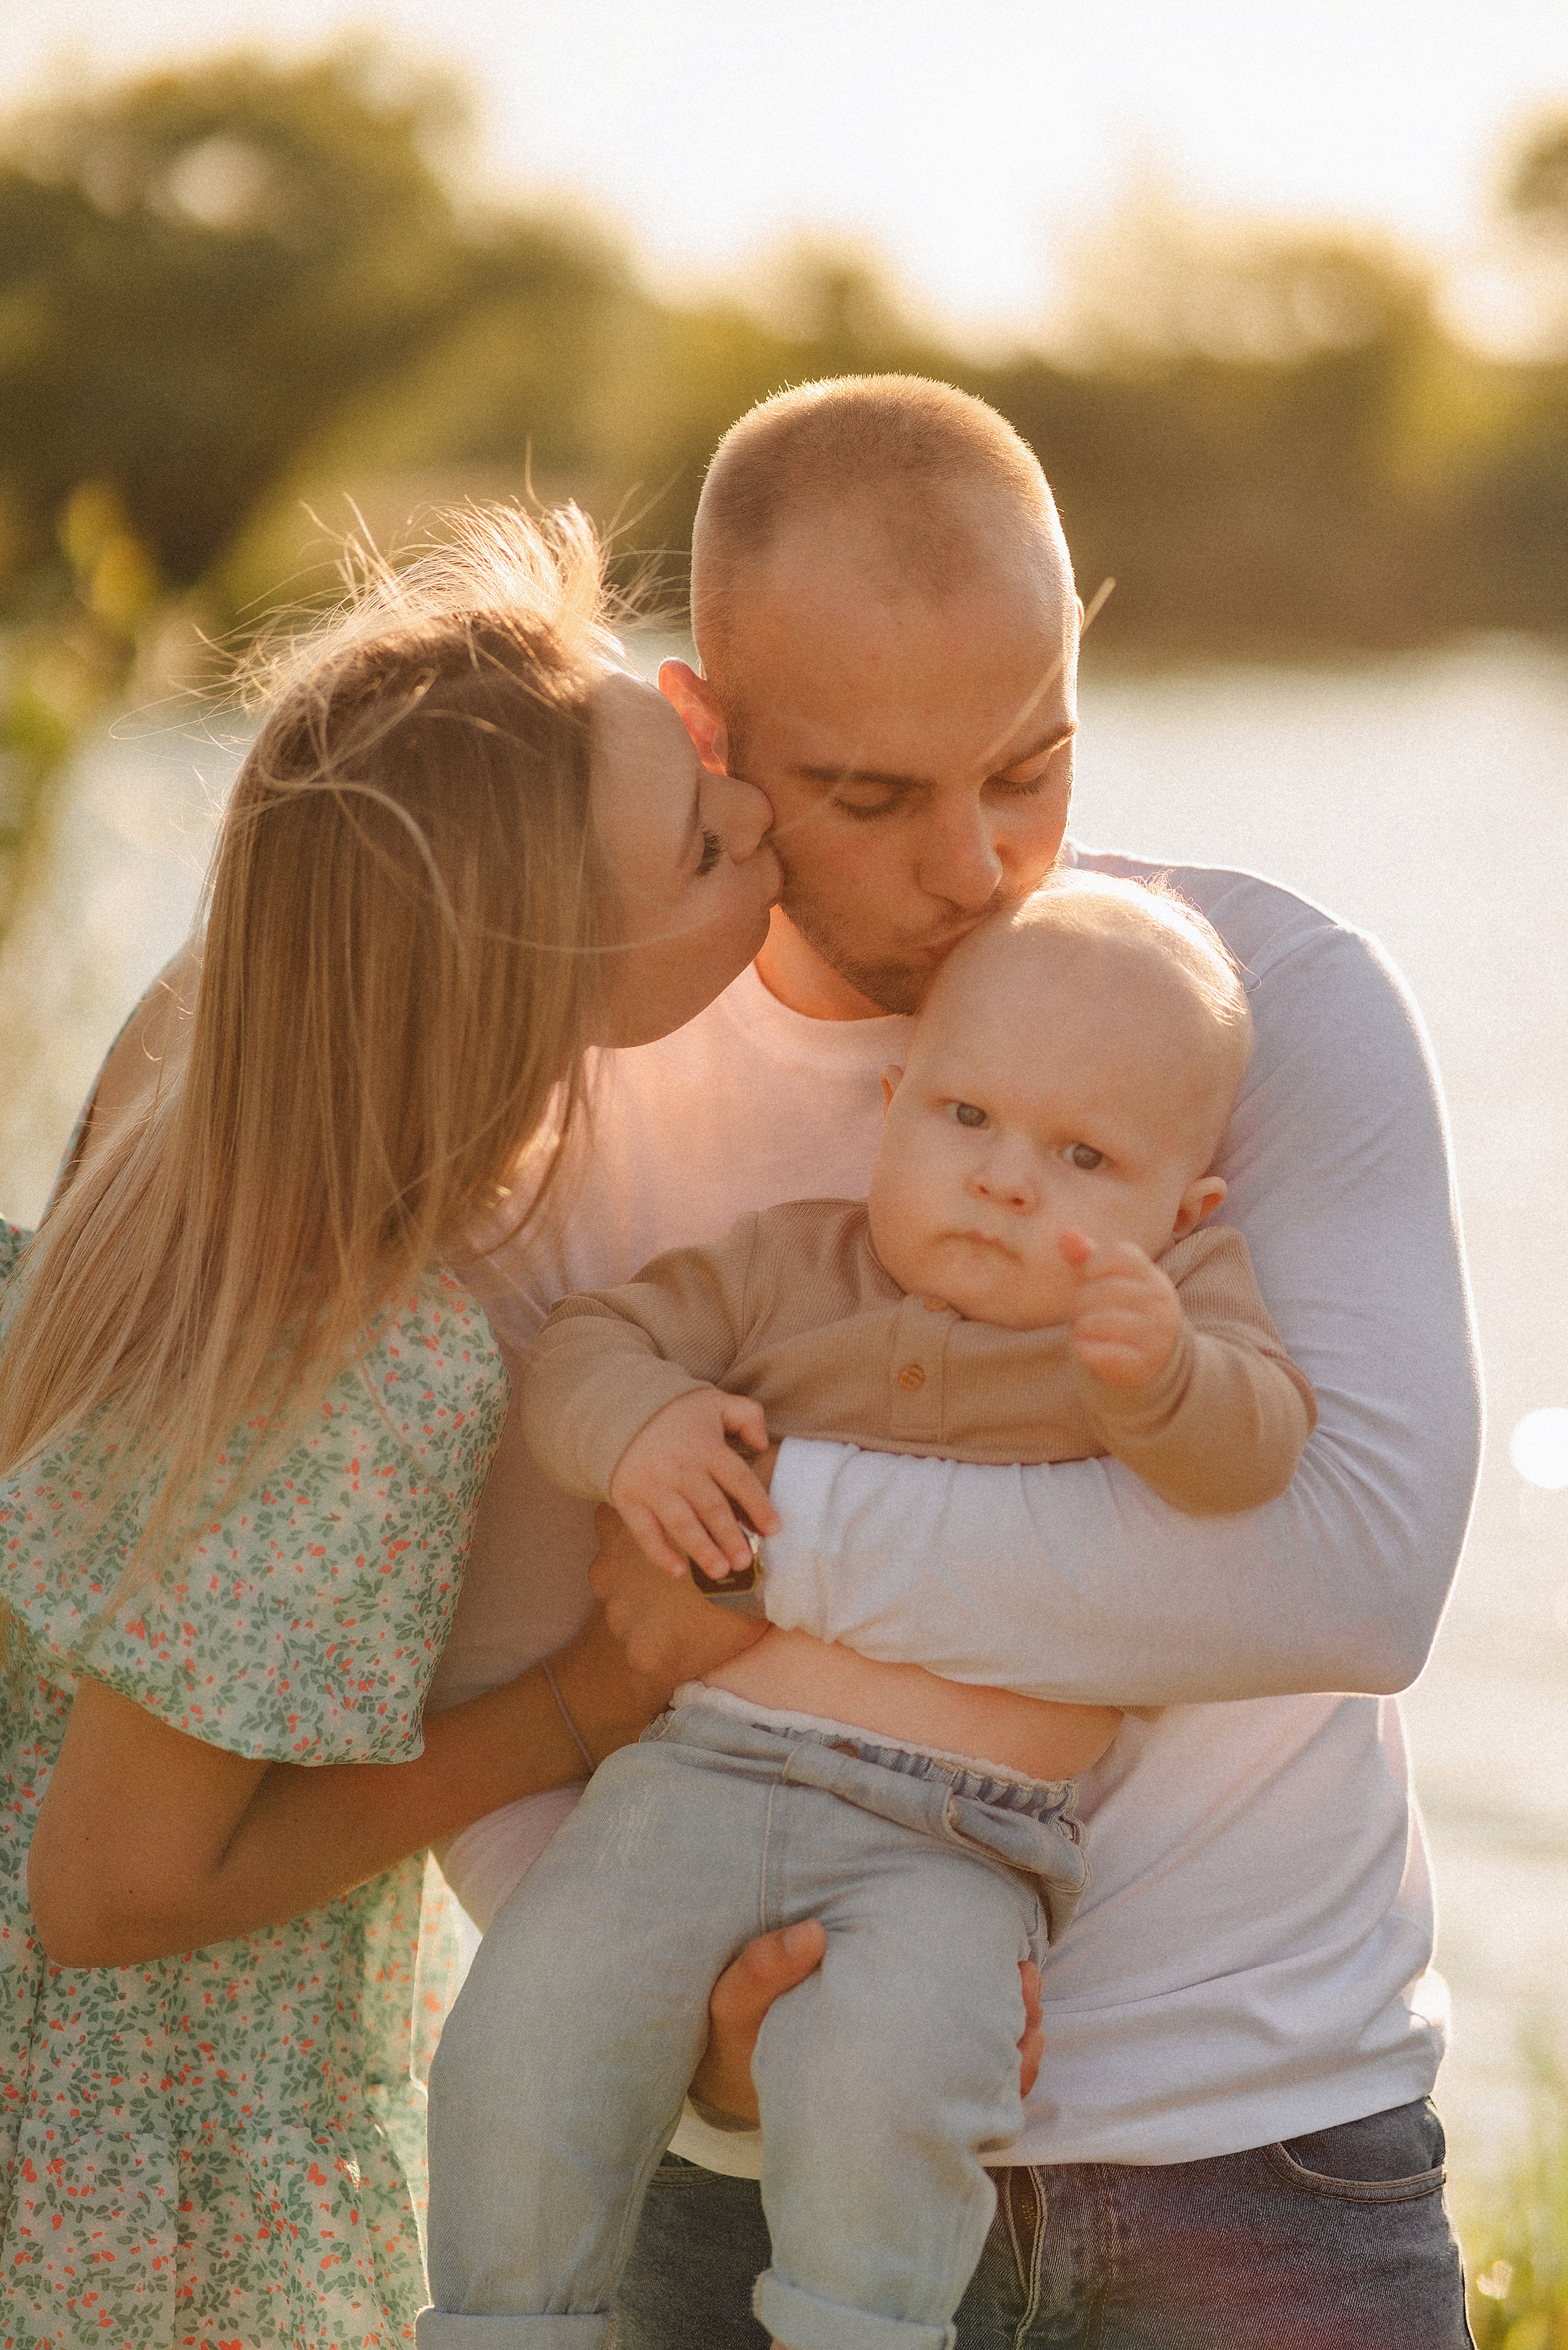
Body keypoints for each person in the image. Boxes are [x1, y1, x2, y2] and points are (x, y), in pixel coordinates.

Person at [426, 377, 1482, 2350]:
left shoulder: (1268, 998)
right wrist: (696, 2035)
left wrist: (767, 1532)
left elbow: (1361, 1568)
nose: (981, 865)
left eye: (1031, 760)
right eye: (875, 796)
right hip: (733, 2195)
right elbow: (490, 1688)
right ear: (705, 730)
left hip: (1262, 2167)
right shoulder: (579, 1100)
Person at [0, 504, 783, 2348]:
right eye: (704, 840)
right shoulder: (372, 1356)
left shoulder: (200, 1057)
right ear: (535, 978)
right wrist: (587, 1699)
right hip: (156, 2182)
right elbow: (111, 1883)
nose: (759, 825)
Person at [420, 876, 1318, 2350]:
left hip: (958, 1841)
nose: (1007, 1178)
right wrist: (638, 1423)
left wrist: (1163, 1376)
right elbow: (590, 1341)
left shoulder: (1164, 1306)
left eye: (1083, 1155)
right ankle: (500, 2321)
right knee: (530, 2028)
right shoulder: (787, 1263)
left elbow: (1260, 1450)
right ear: (892, 1105)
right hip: (690, 1776)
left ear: (1182, 1207)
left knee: (889, 2087)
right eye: (963, 1118)